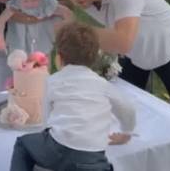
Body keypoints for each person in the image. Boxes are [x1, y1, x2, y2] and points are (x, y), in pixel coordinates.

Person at [10, 22, 136, 171]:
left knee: (23, 144)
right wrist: (126, 132)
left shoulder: (53, 81)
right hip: (92, 157)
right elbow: (127, 109)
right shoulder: (102, 84)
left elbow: (46, 118)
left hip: (57, 149)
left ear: (59, 57)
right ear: (94, 57)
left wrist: (47, 135)